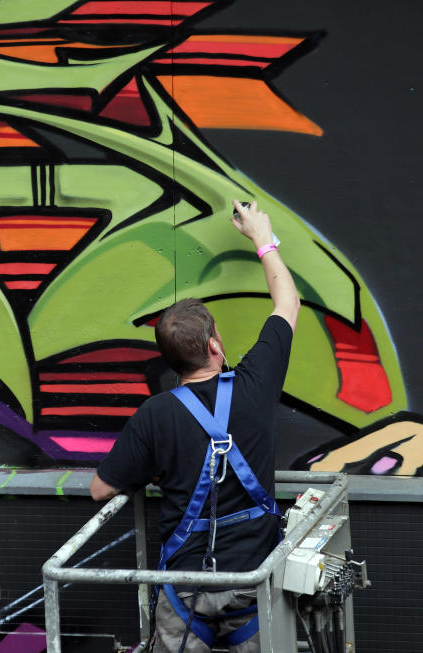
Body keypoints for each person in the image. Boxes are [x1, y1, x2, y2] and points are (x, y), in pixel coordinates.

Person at [91, 199, 300, 652]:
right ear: (214, 345)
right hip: (254, 583)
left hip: (184, 589)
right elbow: (287, 302)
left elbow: (100, 491)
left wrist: (156, 464)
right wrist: (262, 238)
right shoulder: (255, 383)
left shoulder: (155, 414)